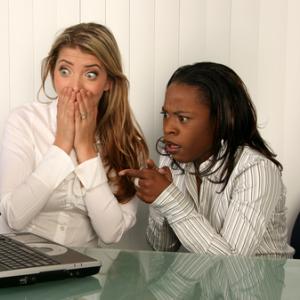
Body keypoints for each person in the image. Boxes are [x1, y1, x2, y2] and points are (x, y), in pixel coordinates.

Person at [119, 62, 294, 257]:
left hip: (257, 286)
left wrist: (169, 198)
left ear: (222, 119)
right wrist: (160, 201)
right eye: (165, 115)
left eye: (182, 118)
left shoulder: (256, 170)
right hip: (201, 284)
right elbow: (162, 249)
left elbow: (230, 264)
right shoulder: (172, 157)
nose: (168, 127)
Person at [0, 22, 148, 247]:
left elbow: (110, 233)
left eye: (90, 74)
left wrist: (86, 150)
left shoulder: (127, 143)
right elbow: (14, 217)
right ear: (52, 72)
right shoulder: (24, 121)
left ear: (108, 81)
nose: (75, 87)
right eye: (65, 71)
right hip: (19, 261)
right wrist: (62, 145)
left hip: (85, 270)